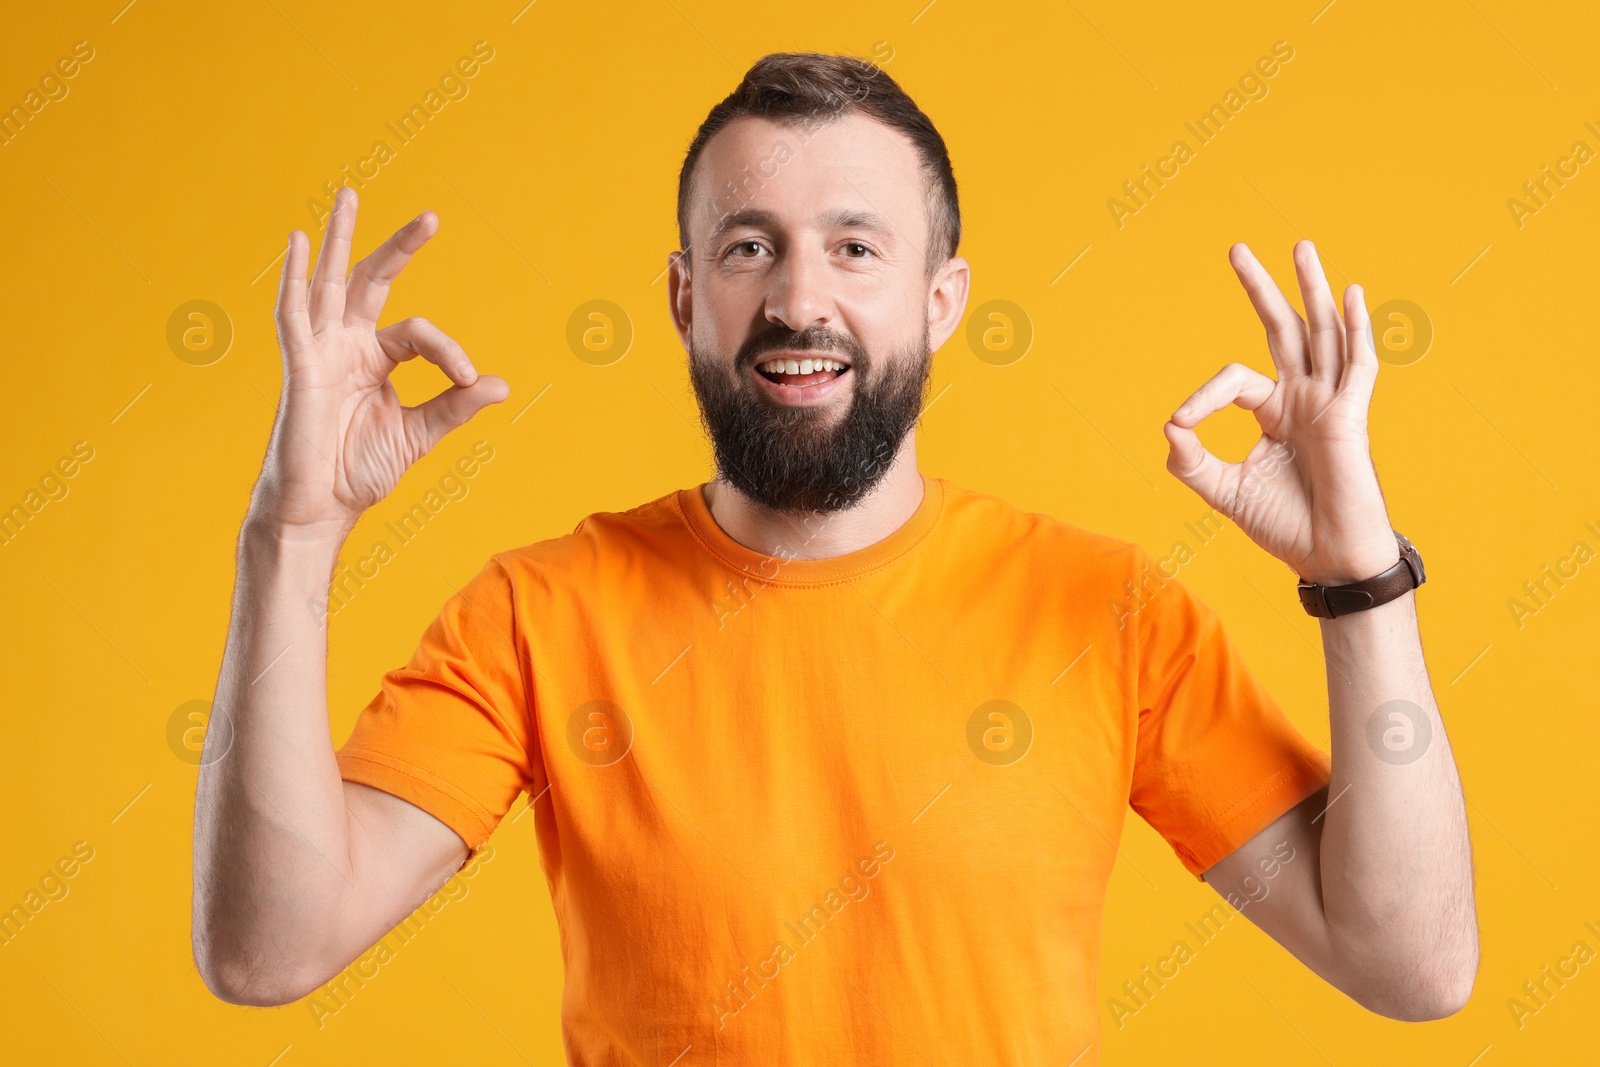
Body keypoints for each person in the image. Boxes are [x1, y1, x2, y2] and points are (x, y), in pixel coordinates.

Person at [192, 51, 1478, 1064]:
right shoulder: (539, 613)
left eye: (855, 247)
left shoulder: (1106, 609)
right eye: (749, 246)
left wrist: (1357, 574)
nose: (799, 300)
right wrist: (290, 538)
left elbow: (1411, 964)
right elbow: (267, 948)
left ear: (939, 300)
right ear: (686, 296)